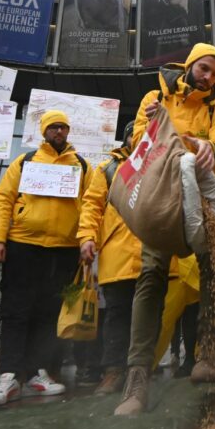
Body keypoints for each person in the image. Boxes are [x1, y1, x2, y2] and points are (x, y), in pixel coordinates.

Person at [115, 43, 215, 416]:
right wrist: (151, 125)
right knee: (151, 276)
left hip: (200, 200)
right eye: (204, 68)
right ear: (189, 65)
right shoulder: (155, 97)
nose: (209, 77)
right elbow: (137, 145)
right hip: (160, 198)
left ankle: (209, 352)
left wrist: (209, 149)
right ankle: (137, 378)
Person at [0, 110, 95, 406]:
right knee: (16, 311)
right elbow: (3, 200)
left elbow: (90, 205)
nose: (59, 131)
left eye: (63, 127)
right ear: (44, 131)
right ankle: (8, 375)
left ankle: (36, 373)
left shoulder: (82, 165)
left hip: (63, 250)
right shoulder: (25, 161)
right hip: (23, 245)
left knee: (50, 313)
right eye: (53, 127)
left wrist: (86, 239)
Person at [77, 122, 140, 397]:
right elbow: (92, 204)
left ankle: (140, 372)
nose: (137, 138)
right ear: (126, 138)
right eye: (133, 133)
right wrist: (87, 237)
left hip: (153, 252)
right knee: (117, 314)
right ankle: (113, 371)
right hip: (117, 254)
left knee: (147, 318)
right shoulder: (107, 169)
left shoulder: (161, 164)